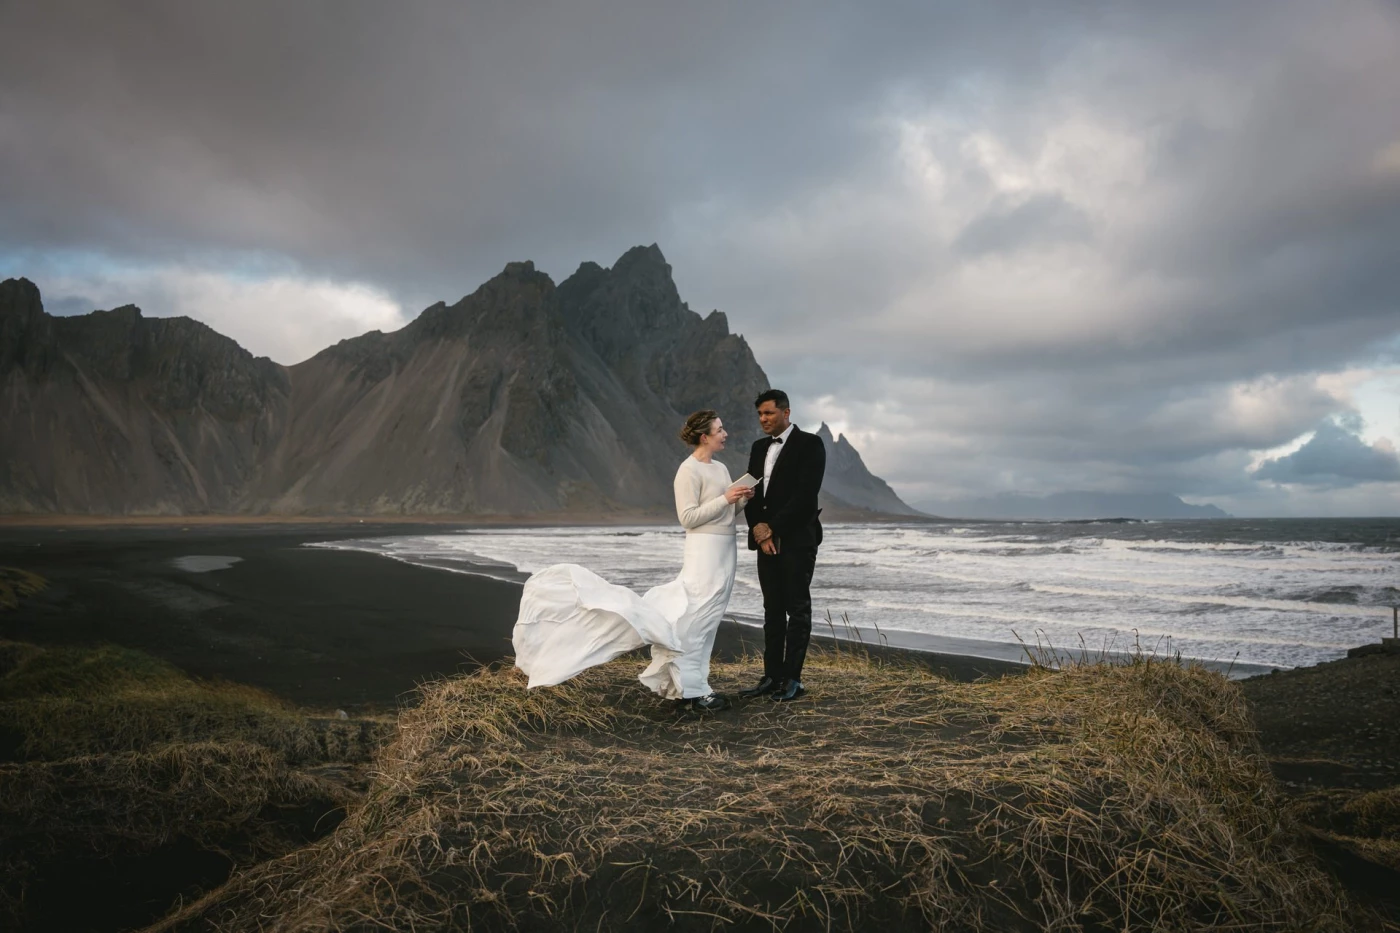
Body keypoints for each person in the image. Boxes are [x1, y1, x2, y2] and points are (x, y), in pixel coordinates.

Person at [511, 409, 754, 711]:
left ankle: (692, 685)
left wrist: (741, 500)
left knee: (709, 619)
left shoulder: (720, 469)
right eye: (719, 429)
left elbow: (725, 516)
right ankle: (693, 690)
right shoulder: (688, 470)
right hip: (703, 553)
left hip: (725, 552)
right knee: (695, 621)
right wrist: (725, 499)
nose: (725, 433)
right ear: (704, 437)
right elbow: (688, 518)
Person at [738, 389, 826, 703]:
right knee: (772, 610)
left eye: (769, 413)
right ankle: (771, 675)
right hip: (766, 543)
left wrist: (771, 527)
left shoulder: (810, 445)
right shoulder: (758, 447)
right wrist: (759, 531)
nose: (763, 420)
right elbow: (749, 491)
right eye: (760, 414)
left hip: (798, 540)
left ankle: (793, 679)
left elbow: (805, 496)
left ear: (786, 413)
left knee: (797, 610)